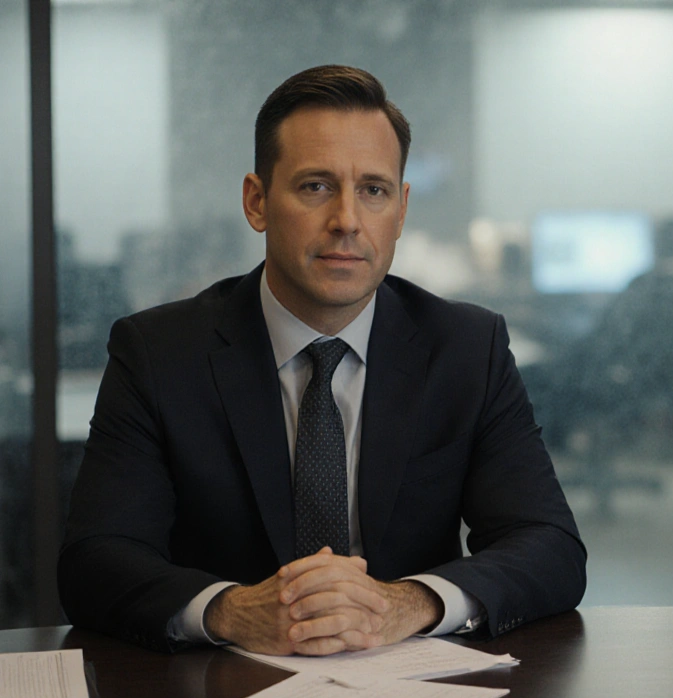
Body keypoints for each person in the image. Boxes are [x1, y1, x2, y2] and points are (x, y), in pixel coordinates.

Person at [58, 65, 586, 655]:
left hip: (414, 685)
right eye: (315, 186)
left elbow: (550, 547)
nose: (347, 221)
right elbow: (95, 560)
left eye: (374, 190)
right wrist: (232, 611)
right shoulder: (158, 353)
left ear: (401, 210)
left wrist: (408, 603)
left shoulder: (466, 348)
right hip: (220, 689)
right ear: (257, 201)